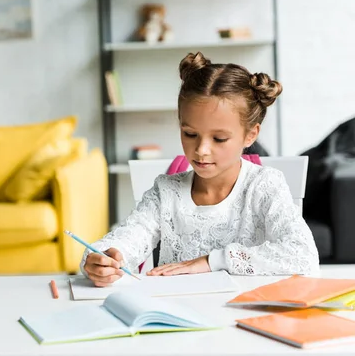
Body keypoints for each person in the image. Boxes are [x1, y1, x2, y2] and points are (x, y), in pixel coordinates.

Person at [82, 52, 319, 287]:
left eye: (219, 138)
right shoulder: (166, 191)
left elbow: (303, 255)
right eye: (190, 134)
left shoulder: (265, 185)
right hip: (178, 316)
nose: (201, 150)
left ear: (250, 135)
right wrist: (105, 258)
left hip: (243, 314)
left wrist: (211, 261)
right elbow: (130, 237)